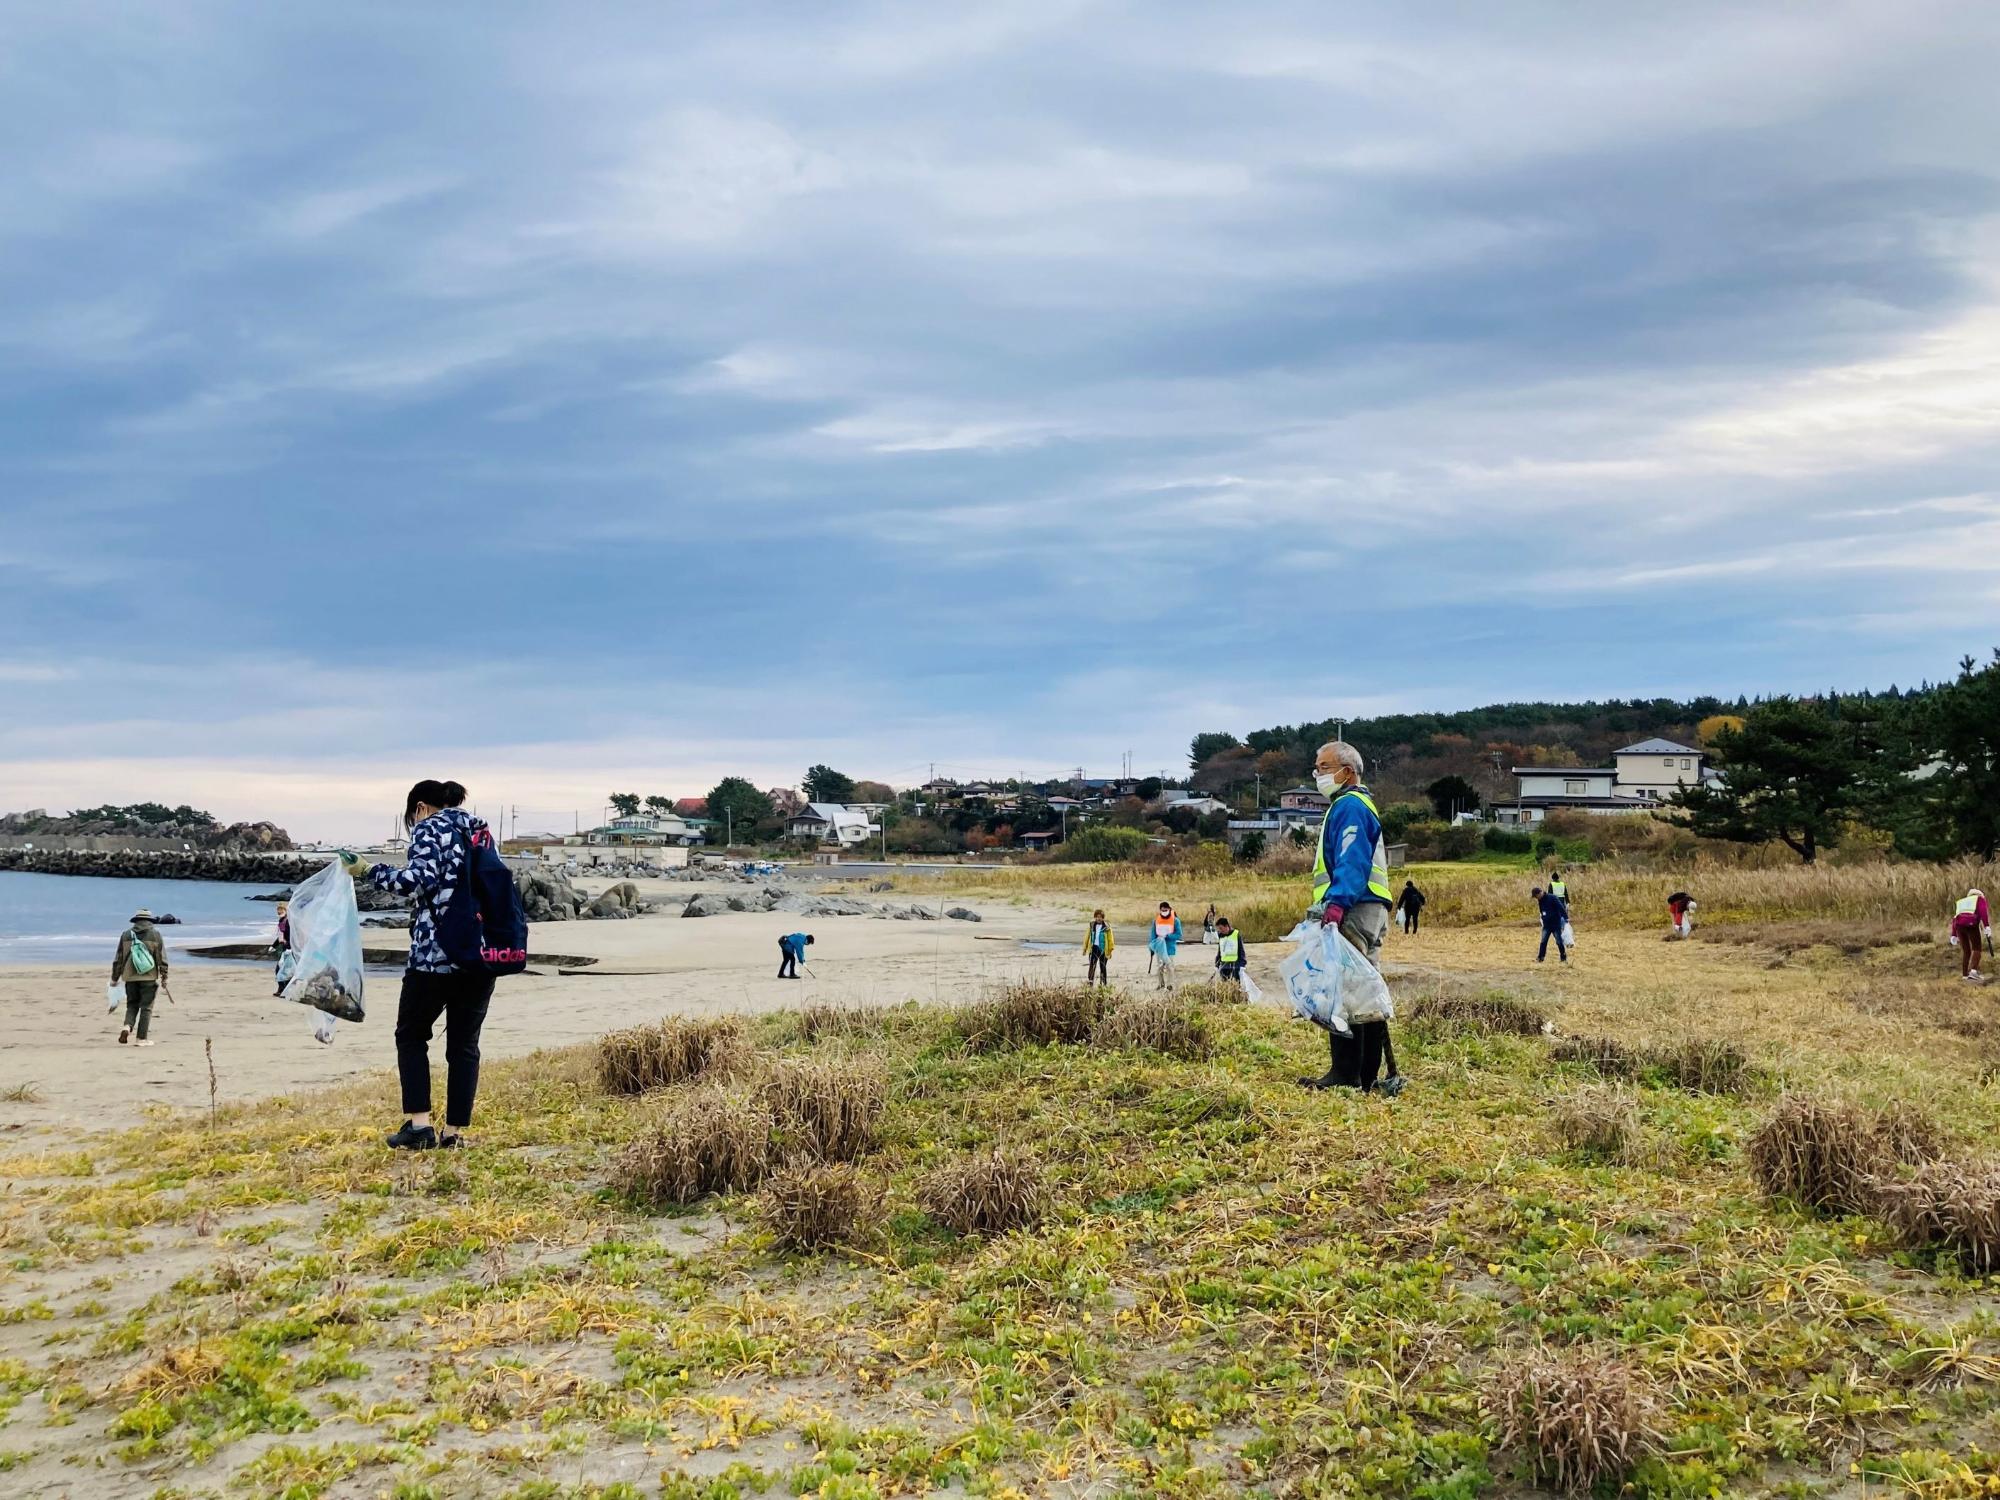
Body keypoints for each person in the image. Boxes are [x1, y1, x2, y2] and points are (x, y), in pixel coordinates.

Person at [339, 779, 494, 1151]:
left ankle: (420, 1126)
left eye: (413, 816)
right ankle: (454, 1133)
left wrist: (367, 871)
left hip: (434, 956)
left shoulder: (429, 828)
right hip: (480, 953)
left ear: (421, 807)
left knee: (410, 1036)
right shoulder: (481, 833)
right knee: (464, 1045)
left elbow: (416, 881)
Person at [1302, 740, 1404, 1095]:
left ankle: (1348, 1073)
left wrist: (1337, 903)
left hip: (1355, 907)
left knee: (1344, 988)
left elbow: (1352, 859)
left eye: (1325, 767)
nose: (1318, 774)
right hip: (1367, 906)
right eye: (1317, 767)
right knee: (1362, 988)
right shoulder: (1353, 805)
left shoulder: (1349, 806)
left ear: (1348, 771)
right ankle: (1364, 1075)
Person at [111, 908, 168, 1047]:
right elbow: (161, 958)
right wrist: (164, 975)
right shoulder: (155, 935)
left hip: (129, 976)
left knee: (132, 1004)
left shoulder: (126, 935)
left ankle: (127, 1026)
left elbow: (119, 958)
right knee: (146, 1007)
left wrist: (115, 977)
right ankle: (141, 1038)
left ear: (136, 921)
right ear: (150, 921)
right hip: (149, 976)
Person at [1950, 888, 1992, 982]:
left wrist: (1953, 934)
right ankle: (1973, 972)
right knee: (1977, 948)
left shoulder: (1961, 902)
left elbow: (1955, 918)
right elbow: (1983, 913)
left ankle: (1965, 975)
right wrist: (1986, 926)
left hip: (1959, 926)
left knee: (1966, 951)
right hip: (1971, 925)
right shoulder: (1980, 899)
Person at [1149, 902, 1183, 988]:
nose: (1164, 912)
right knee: (1159, 967)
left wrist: (1168, 936)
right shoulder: (1156, 921)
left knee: (1170, 966)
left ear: (1169, 909)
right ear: (1160, 910)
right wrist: (1152, 947)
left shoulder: (1175, 920)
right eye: (1162, 910)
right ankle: (1161, 984)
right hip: (1159, 947)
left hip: (1170, 947)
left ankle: (1170, 985)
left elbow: (1179, 935)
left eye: (1166, 910)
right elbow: (1153, 936)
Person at [1534, 886, 1569, 963]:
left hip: (1556, 924)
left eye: (1536, 896)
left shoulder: (1552, 898)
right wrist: (1543, 918)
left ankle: (1563, 958)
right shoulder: (1540, 901)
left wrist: (1566, 918)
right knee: (1543, 941)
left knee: (1559, 941)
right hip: (1546, 925)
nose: (1536, 898)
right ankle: (1540, 958)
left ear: (1540, 893)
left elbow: (1560, 907)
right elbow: (1541, 910)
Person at [1083, 910, 1114, 985]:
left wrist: (1110, 950)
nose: (1098, 919)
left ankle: (1103, 983)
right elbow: (1086, 937)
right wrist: (1085, 948)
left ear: (1103, 918)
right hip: (1094, 948)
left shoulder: (1107, 928)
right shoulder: (1092, 926)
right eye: (1097, 917)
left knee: (1103, 966)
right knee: (1092, 966)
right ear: (1095, 917)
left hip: (1103, 949)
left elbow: (1111, 939)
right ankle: (1090, 982)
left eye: (1100, 917)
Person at [1214, 917, 1246, 984]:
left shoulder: (1236, 934)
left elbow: (1241, 950)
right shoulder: (1221, 936)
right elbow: (1220, 951)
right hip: (1224, 966)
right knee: (1225, 987)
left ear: (1226, 926)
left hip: (1235, 966)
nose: (1220, 930)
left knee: (1236, 986)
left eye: (1221, 928)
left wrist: (1242, 965)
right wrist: (1217, 964)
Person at [271, 899, 291, 996]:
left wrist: (289, 946)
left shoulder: (288, 922)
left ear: (286, 910)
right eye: (278, 910)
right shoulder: (281, 921)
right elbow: (280, 936)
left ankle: (283, 990)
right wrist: (273, 946)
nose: (279, 912)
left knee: (281, 970)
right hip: (284, 949)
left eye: (281, 910)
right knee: (283, 970)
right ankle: (282, 989)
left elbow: (292, 936)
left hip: (289, 950)